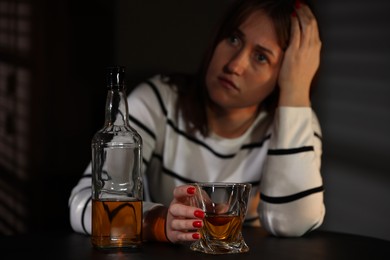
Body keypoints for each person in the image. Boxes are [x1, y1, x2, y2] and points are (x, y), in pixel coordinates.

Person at [69, 0, 325, 243]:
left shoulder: (297, 123)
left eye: (261, 57)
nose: (235, 65)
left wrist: (295, 92)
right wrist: (158, 222)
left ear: (285, 73)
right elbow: (82, 204)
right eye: (233, 38)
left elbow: (292, 223)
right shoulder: (158, 101)